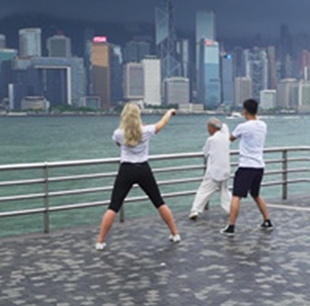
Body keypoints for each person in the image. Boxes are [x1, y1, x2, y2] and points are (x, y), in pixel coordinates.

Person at [95, 103, 180, 250]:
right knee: (159, 202)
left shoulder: (118, 133)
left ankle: (100, 241)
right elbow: (162, 123)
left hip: (126, 169)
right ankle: (175, 234)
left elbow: (119, 144)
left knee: (114, 206)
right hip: (143, 169)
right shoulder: (146, 131)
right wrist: (169, 112)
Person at [221, 98, 273, 235]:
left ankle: (231, 226)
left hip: (246, 166)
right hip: (259, 166)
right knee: (255, 194)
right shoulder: (263, 125)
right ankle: (267, 220)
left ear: (244, 111)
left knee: (236, 196)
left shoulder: (242, 127)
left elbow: (230, 139)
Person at [189, 118, 232, 220]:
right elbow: (224, 126)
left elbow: (205, 153)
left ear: (212, 128)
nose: (208, 130)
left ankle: (195, 210)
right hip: (225, 170)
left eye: (208, 128)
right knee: (225, 192)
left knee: (203, 191)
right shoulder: (226, 137)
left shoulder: (211, 140)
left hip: (214, 171)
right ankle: (231, 209)